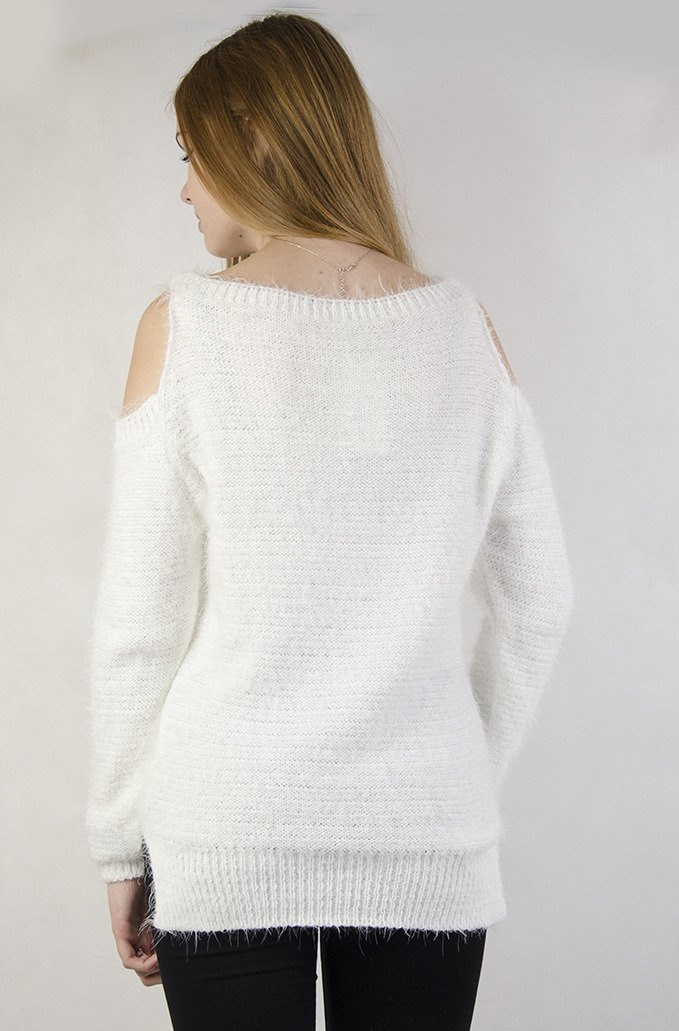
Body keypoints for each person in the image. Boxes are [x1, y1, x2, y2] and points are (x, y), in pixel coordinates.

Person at [84, 11, 574, 1030]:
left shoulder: (183, 327)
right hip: (427, 833)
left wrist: (120, 841)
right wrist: (447, 777)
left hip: (229, 826)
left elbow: (141, 623)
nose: (185, 187)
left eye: (192, 155)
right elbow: (539, 598)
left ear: (256, 136)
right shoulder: (463, 328)